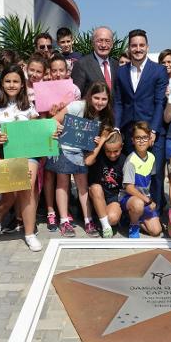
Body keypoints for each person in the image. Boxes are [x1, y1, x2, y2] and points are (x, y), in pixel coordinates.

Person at [0, 65, 43, 252]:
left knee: (27, 187)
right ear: (1, 84)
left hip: (28, 154)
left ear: (22, 85)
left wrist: (52, 131)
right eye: (8, 81)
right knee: (9, 194)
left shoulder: (29, 107)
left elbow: (37, 131)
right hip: (4, 152)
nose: (12, 85)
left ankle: (29, 233)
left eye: (16, 81)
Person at [49, 81, 113, 237]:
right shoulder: (77, 106)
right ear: (90, 96)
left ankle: (88, 220)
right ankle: (64, 221)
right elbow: (54, 120)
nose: (100, 102)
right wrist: (60, 128)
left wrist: (98, 141)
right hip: (64, 148)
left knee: (82, 186)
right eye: (96, 98)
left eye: (104, 99)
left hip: (81, 152)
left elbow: (100, 134)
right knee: (62, 183)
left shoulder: (104, 115)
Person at [114, 29, 168, 211]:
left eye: (141, 45)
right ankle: (132, 213)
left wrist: (153, 130)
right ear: (129, 48)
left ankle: (157, 211)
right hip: (129, 131)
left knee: (157, 174)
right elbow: (119, 102)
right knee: (131, 174)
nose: (138, 49)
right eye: (134, 45)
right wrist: (116, 127)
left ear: (147, 47)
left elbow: (160, 102)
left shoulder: (159, 70)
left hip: (152, 132)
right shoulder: (120, 72)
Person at [42, 54, 82, 232]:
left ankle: (63, 211)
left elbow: (76, 114)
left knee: (64, 176)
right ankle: (51, 210)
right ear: (49, 72)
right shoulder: (42, 89)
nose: (58, 74)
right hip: (49, 136)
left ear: (67, 72)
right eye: (54, 70)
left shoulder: (74, 90)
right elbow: (40, 118)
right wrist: (50, 115)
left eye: (61, 70)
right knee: (50, 174)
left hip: (69, 138)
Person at [118, 121, 163, 238]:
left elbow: (149, 182)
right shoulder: (130, 160)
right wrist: (148, 201)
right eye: (138, 138)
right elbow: (129, 188)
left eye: (144, 137)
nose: (141, 141)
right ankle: (133, 225)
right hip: (129, 198)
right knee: (138, 204)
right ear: (132, 140)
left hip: (144, 198)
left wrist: (149, 200)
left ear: (149, 139)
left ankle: (131, 218)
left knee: (156, 231)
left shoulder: (152, 157)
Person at [85, 127, 125, 238]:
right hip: (96, 195)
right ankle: (105, 226)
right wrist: (101, 142)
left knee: (112, 218)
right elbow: (88, 161)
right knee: (96, 188)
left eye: (115, 151)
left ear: (121, 147)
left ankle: (101, 218)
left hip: (113, 198)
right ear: (103, 148)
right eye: (108, 151)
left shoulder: (124, 160)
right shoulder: (99, 156)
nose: (112, 155)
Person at [71, 26, 119, 94]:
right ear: (93, 43)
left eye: (107, 41)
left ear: (112, 44)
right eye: (100, 41)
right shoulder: (81, 64)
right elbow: (76, 95)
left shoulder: (116, 65)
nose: (103, 45)